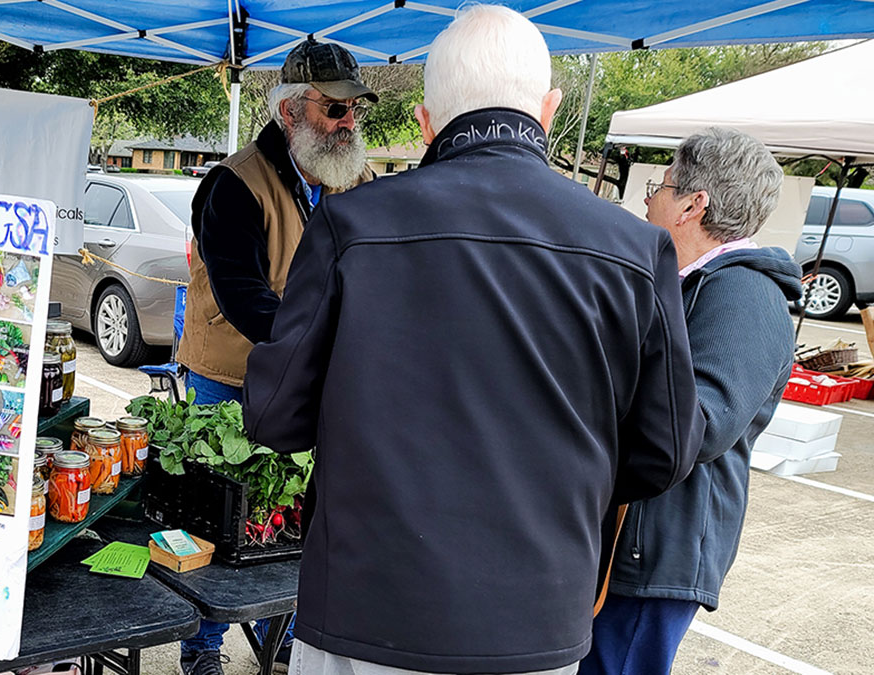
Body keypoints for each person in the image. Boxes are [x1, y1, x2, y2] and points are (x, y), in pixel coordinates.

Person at [242, 5, 705, 674]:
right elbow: (664, 451)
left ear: (427, 122)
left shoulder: (352, 224)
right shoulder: (634, 248)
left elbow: (273, 414)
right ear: (548, 110)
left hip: (366, 609)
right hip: (537, 618)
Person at [174, 38, 378, 675]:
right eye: (333, 111)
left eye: (353, 112)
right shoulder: (233, 184)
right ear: (289, 111)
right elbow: (243, 298)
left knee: (288, 517)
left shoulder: (356, 183)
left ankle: (279, 637)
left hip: (308, 378)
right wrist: (320, 345)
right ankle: (201, 650)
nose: (348, 124)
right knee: (215, 519)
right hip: (230, 377)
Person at [581, 128, 801, 675]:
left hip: (656, 551)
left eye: (663, 186)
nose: (651, 198)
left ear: (693, 205)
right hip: (629, 542)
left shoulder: (743, 295)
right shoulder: (691, 283)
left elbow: (701, 424)